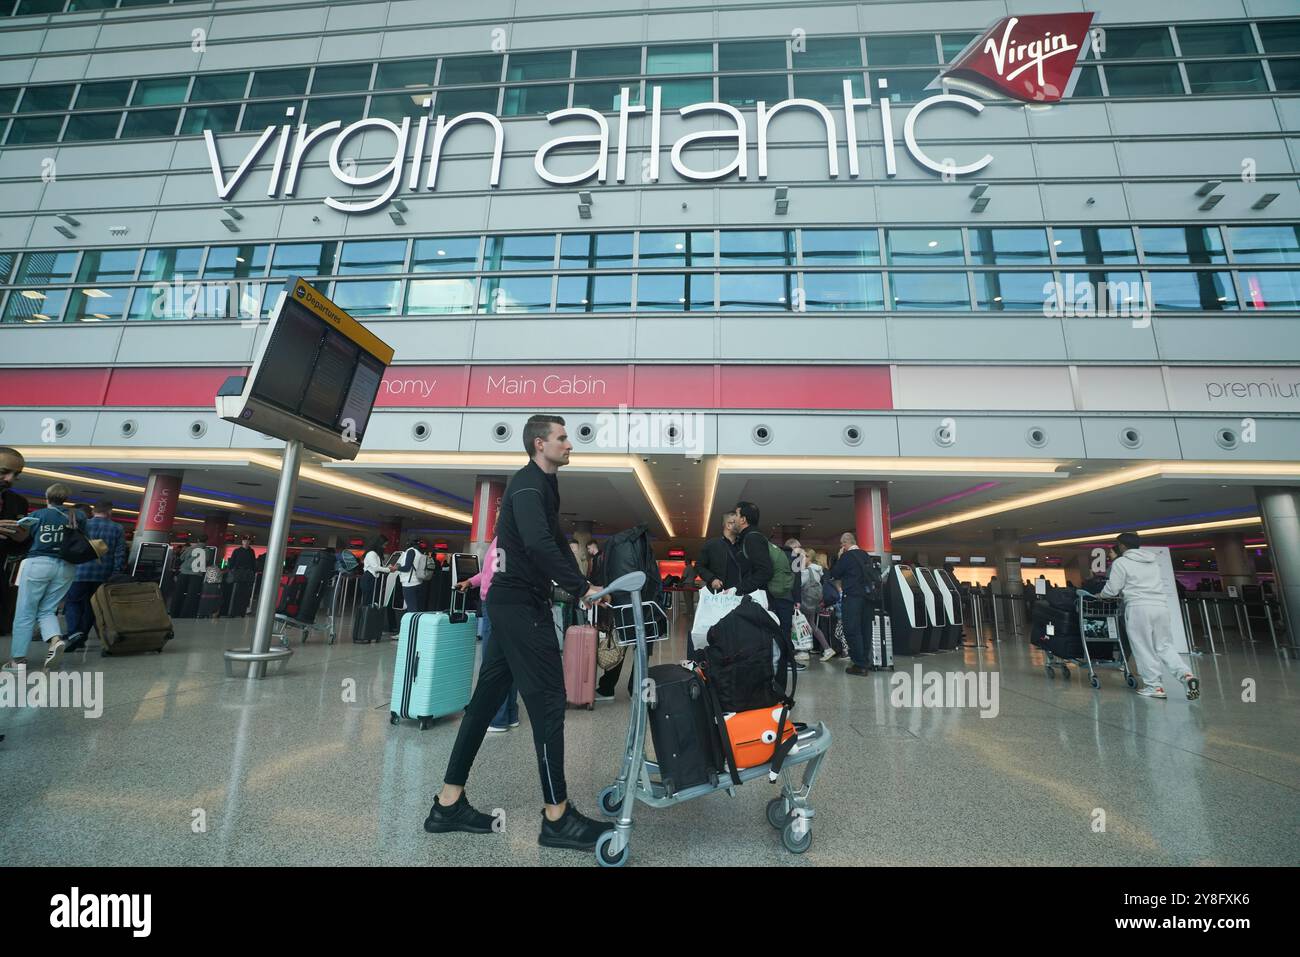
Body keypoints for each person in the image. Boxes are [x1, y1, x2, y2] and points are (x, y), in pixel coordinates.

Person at [426, 414, 613, 853]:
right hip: (520, 606)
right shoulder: (529, 484)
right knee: (549, 702)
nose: (570, 445)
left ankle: (448, 803)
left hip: (511, 604)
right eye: (562, 438)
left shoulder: (543, 486)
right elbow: (536, 543)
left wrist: (585, 586)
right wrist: (581, 587)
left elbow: (555, 541)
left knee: (485, 702)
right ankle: (557, 818)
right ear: (539, 443)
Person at [1090, 531, 1199, 701]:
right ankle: (1186, 675)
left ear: (1122, 546)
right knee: (1165, 646)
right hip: (1160, 607)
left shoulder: (1121, 563)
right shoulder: (1152, 561)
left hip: (1138, 608)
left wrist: (1100, 595)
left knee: (1143, 647)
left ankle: (1154, 686)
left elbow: (1112, 590)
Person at [3, 483, 76, 672]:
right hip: (67, 566)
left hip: (38, 563)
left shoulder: (38, 515)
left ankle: (18, 660)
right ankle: (55, 640)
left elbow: (21, 538)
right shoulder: (77, 516)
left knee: (25, 611)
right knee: (48, 610)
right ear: (65, 498)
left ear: (47, 497)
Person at [458, 511, 518, 732]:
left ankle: (497, 718)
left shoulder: (505, 541)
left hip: (496, 606)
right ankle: (510, 714)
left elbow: (499, 576)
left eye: (499, 517)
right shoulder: (501, 540)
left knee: (493, 664)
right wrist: (470, 582)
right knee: (506, 662)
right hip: (498, 605)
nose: (494, 521)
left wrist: (495, 601)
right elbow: (488, 573)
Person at [62, 500, 126, 652]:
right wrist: (115, 572)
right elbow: (120, 553)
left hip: (79, 572)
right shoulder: (117, 528)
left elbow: (72, 546)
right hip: (102, 574)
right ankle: (82, 635)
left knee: (73, 602)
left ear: (93, 511)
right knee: (94, 606)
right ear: (109, 512)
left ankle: (74, 633)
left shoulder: (84, 524)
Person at [829, 531, 879, 676]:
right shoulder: (865, 555)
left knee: (852, 629)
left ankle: (859, 664)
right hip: (868, 597)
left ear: (844, 544)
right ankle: (866, 660)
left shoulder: (846, 556)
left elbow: (835, 573)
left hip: (853, 597)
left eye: (842, 544)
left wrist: (839, 558)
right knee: (865, 629)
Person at [0, 447, 30, 639]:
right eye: (4, 472)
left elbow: (19, 545)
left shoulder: (18, 502)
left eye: (16, 474)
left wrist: (23, 538)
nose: (10, 479)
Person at [794, 542, 835, 662]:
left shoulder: (807, 572)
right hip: (813, 603)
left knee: (801, 625)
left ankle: (803, 651)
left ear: (809, 558)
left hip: (804, 602)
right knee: (812, 625)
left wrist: (799, 569)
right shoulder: (818, 571)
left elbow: (798, 583)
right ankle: (827, 649)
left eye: (804, 557)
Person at [693, 510, 742, 592]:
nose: (741, 525)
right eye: (737, 522)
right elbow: (699, 566)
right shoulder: (712, 545)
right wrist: (712, 579)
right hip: (719, 596)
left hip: (740, 595)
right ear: (729, 525)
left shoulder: (743, 545)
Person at [170, 533, 209, 618]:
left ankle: (174, 613)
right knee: (191, 595)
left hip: (184, 573)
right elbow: (207, 561)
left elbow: (181, 558)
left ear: (198, 540)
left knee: (178, 593)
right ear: (206, 541)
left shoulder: (190, 548)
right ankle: (187, 614)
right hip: (196, 575)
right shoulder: (207, 550)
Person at [396, 538, 432, 614]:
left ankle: (411, 625)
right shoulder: (419, 552)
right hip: (418, 582)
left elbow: (406, 568)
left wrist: (396, 568)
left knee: (412, 609)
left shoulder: (411, 551)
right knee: (416, 608)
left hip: (409, 583)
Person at [225, 536, 257, 617]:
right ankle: (232, 612)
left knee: (245, 594)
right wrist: (231, 570)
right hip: (238, 573)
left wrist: (253, 572)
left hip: (247, 574)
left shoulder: (251, 551)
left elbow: (253, 563)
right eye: (245, 541)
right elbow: (232, 562)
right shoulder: (237, 551)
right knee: (236, 593)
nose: (246, 542)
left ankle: (242, 612)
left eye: (248, 541)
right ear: (242, 542)